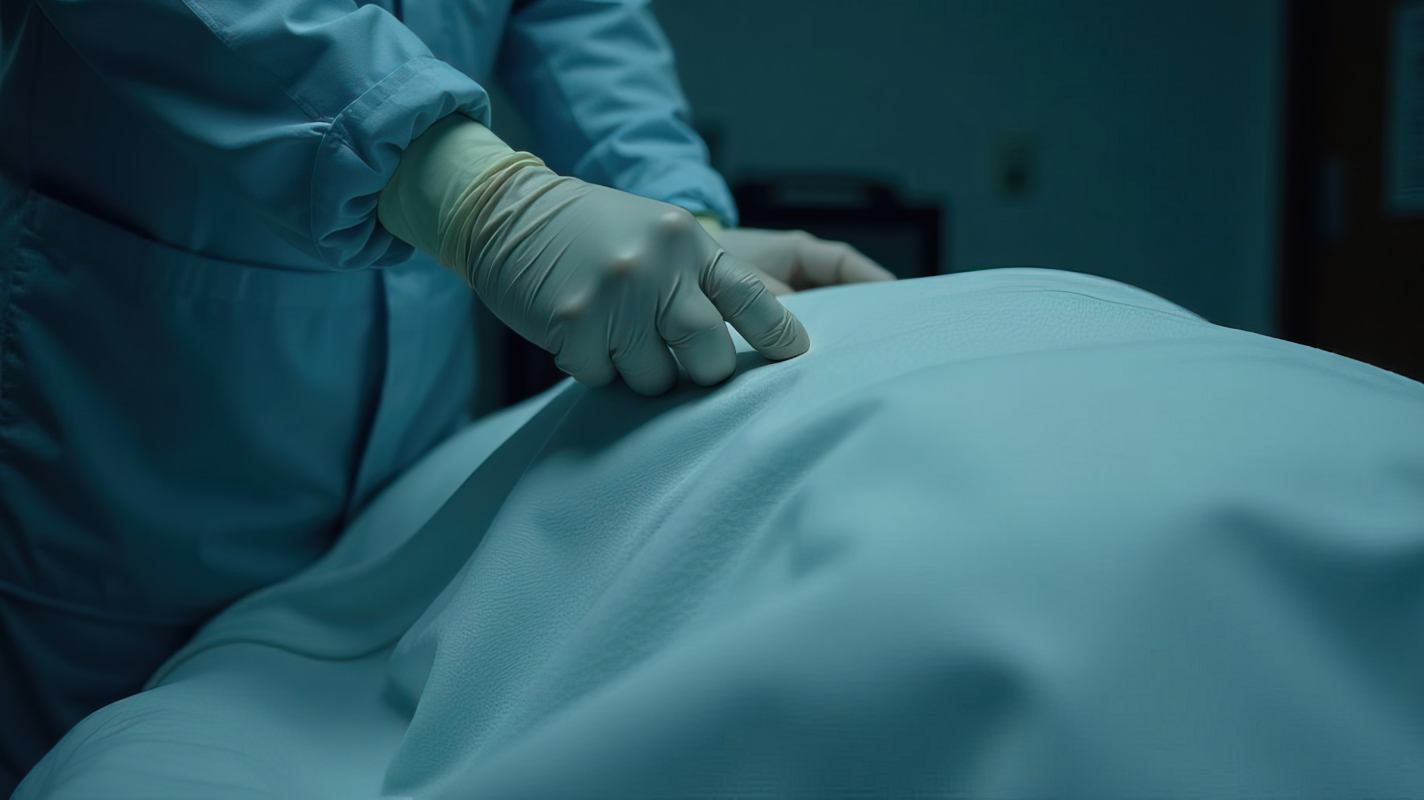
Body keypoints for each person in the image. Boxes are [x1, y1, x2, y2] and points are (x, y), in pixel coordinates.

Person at [0, 0, 892, 788]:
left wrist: (680, 210)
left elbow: (573, 17)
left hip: (408, 451)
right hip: (130, 423)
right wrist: (461, 184)